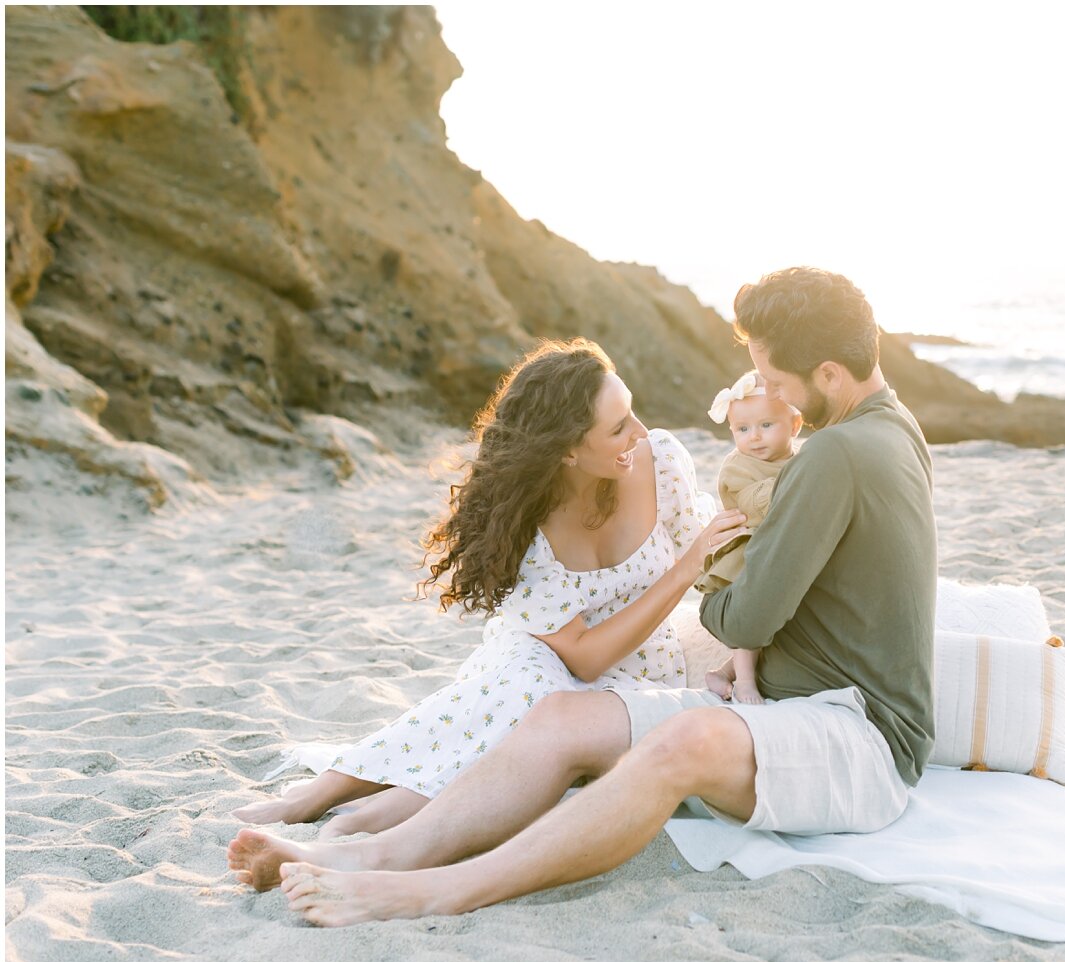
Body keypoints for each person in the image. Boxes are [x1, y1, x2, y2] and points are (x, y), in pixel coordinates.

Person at [226, 267, 938, 927]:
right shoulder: (892, 424)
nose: (768, 399)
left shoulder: (833, 455)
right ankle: (370, 851)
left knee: (680, 739)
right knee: (559, 715)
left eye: (774, 381)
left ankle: (441, 886)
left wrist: (727, 601)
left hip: (853, 735)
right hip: (791, 703)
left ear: (829, 373)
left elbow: (744, 613)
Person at [230, 338, 747, 838]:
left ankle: (364, 818)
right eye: (617, 428)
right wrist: (682, 570)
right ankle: (324, 790)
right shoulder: (526, 532)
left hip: (642, 665)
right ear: (567, 451)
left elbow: (716, 556)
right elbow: (583, 659)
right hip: (545, 655)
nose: (638, 431)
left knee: (532, 722)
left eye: (632, 411)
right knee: (532, 689)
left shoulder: (660, 462)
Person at [696, 369, 804, 705]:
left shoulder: (800, 460)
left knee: (771, 631)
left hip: (781, 548)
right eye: (743, 430)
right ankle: (745, 683)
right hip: (747, 553)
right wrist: (802, 481)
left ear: (795, 425)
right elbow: (752, 505)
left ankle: (723, 674)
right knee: (752, 615)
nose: (754, 437)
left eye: (765, 426)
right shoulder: (737, 467)